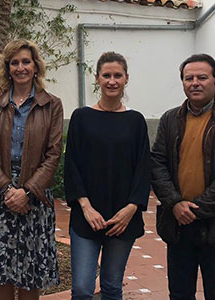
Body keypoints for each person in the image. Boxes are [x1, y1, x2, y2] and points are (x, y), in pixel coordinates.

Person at [151, 53, 215, 300]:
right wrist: (175, 203)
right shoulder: (170, 120)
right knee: (180, 294)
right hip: (178, 226)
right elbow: (157, 164)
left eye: (202, 77)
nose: (194, 82)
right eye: (188, 78)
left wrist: (195, 209)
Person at [0, 39, 63, 300]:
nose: (20, 67)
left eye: (26, 61)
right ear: (7, 67)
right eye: (14, 62)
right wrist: (7, 189)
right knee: (1, 272)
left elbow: (54, 152)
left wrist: (27, 192)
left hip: (35, 197)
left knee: (30, 275)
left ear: (36, 66)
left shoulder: (51, 104)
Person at [64, 52, 151, 300]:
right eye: (106, 75)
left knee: (112, 287)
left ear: (126, 79)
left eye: (117, 75)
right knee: (82, 288)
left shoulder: (136, 121)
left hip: (122, 218)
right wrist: (85, 207)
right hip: (86, 216)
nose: (112, 81)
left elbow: (143, 168)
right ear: (97, 79)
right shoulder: (81, 117)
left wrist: (131, 209)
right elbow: (72, 165)